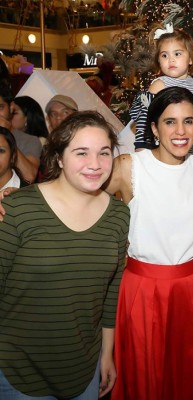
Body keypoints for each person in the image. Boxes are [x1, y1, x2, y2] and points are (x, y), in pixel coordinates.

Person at [0, 111, 130, 399]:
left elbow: (111, 294)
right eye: (81, 153)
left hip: (83, 370)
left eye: (104, 153)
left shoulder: (119, 215)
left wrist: (107, 355)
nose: (95, 165)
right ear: (59, 158)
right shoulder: (19, 209)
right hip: (17, 371)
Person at [105, 86, 193, 400]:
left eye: (189, 121)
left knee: (192, 377)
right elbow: (79, 195)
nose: (180, 131)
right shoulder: (129, 167)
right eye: (170, 122)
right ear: (154, 128)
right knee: (146, 378)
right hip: (143, 290)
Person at [131, 25, 193, 155]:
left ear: (191, 59)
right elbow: (144, 118)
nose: (171, 59)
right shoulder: (160, 84)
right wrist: (142, 146)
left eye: (177, 54)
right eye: (164, 55)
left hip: (189, 147)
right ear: (158, 61)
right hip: (163, 149)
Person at [0, 87, 42, 183]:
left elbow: (28, 177)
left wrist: (7, 134)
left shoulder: (29, 140)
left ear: (11, 108)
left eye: (0, 107)